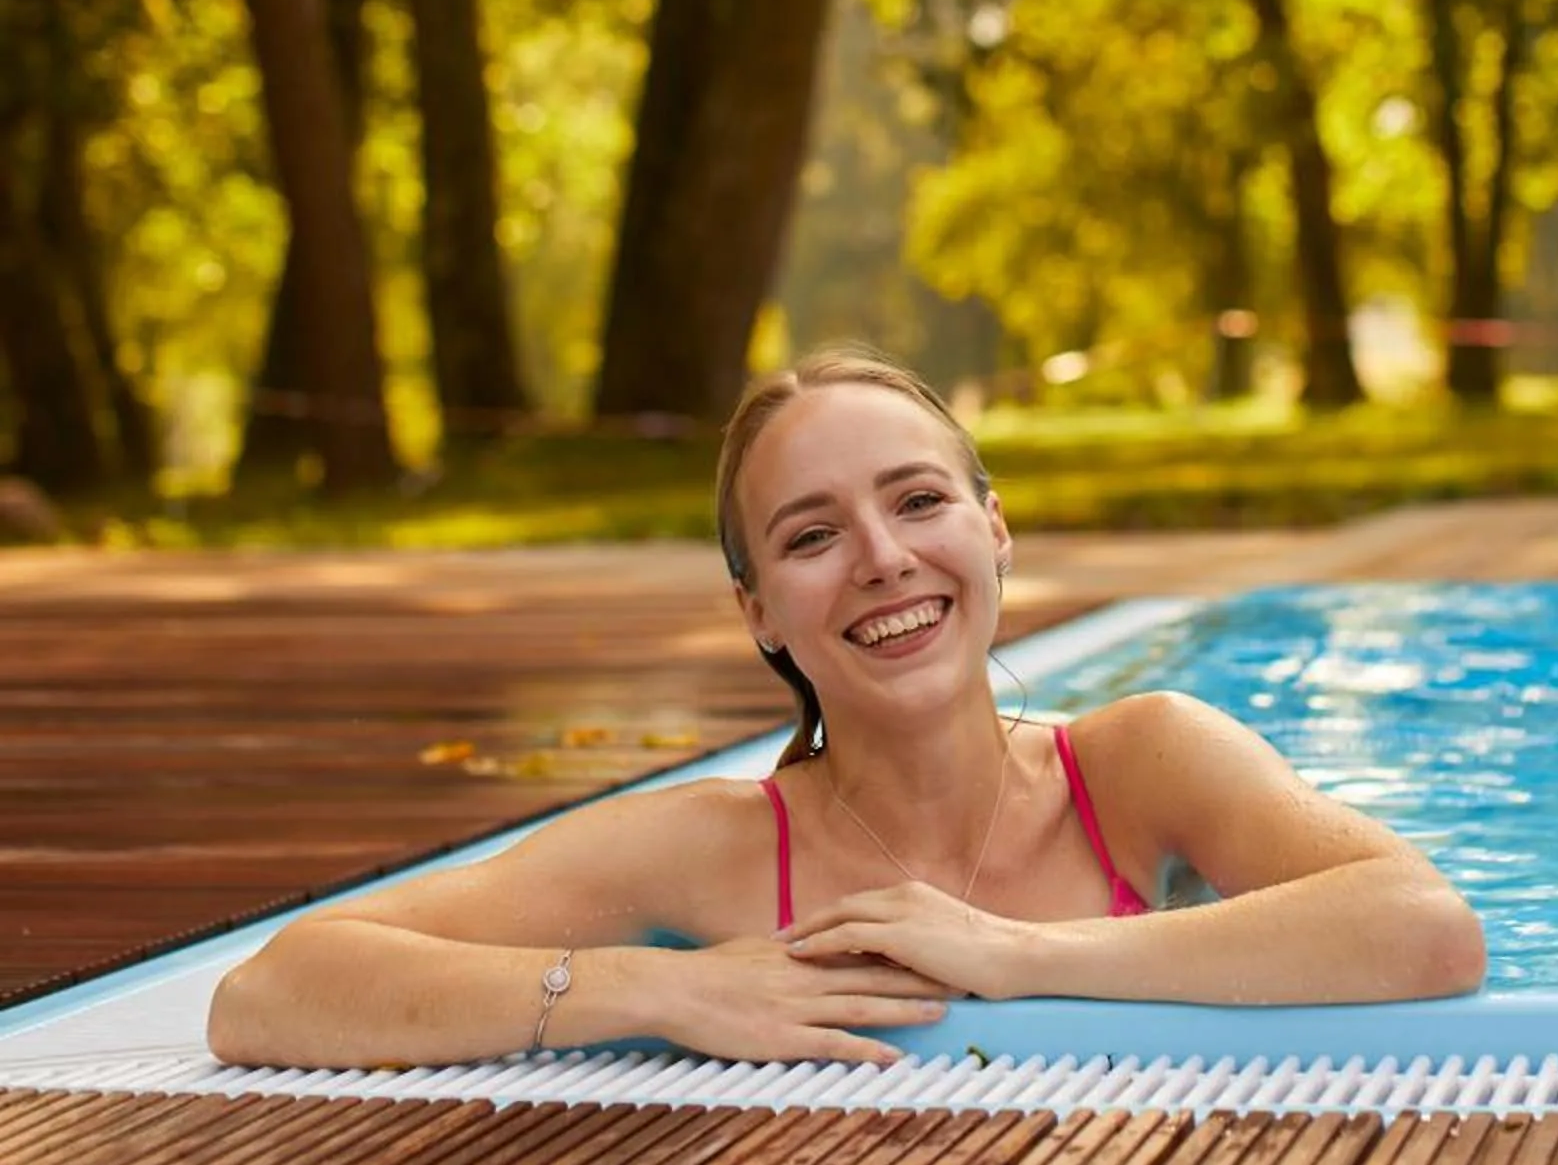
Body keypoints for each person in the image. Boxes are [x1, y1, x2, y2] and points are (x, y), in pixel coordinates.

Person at [208, 348, 1485, 1071]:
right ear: (758, 610)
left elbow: (1423, 928)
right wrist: (651, 989)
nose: (882, 559)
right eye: (811, 535)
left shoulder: (1142, 764)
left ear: (994, 531)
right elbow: (270, 991)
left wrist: (1019, 956)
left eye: (919, 502)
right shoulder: (704, 852)